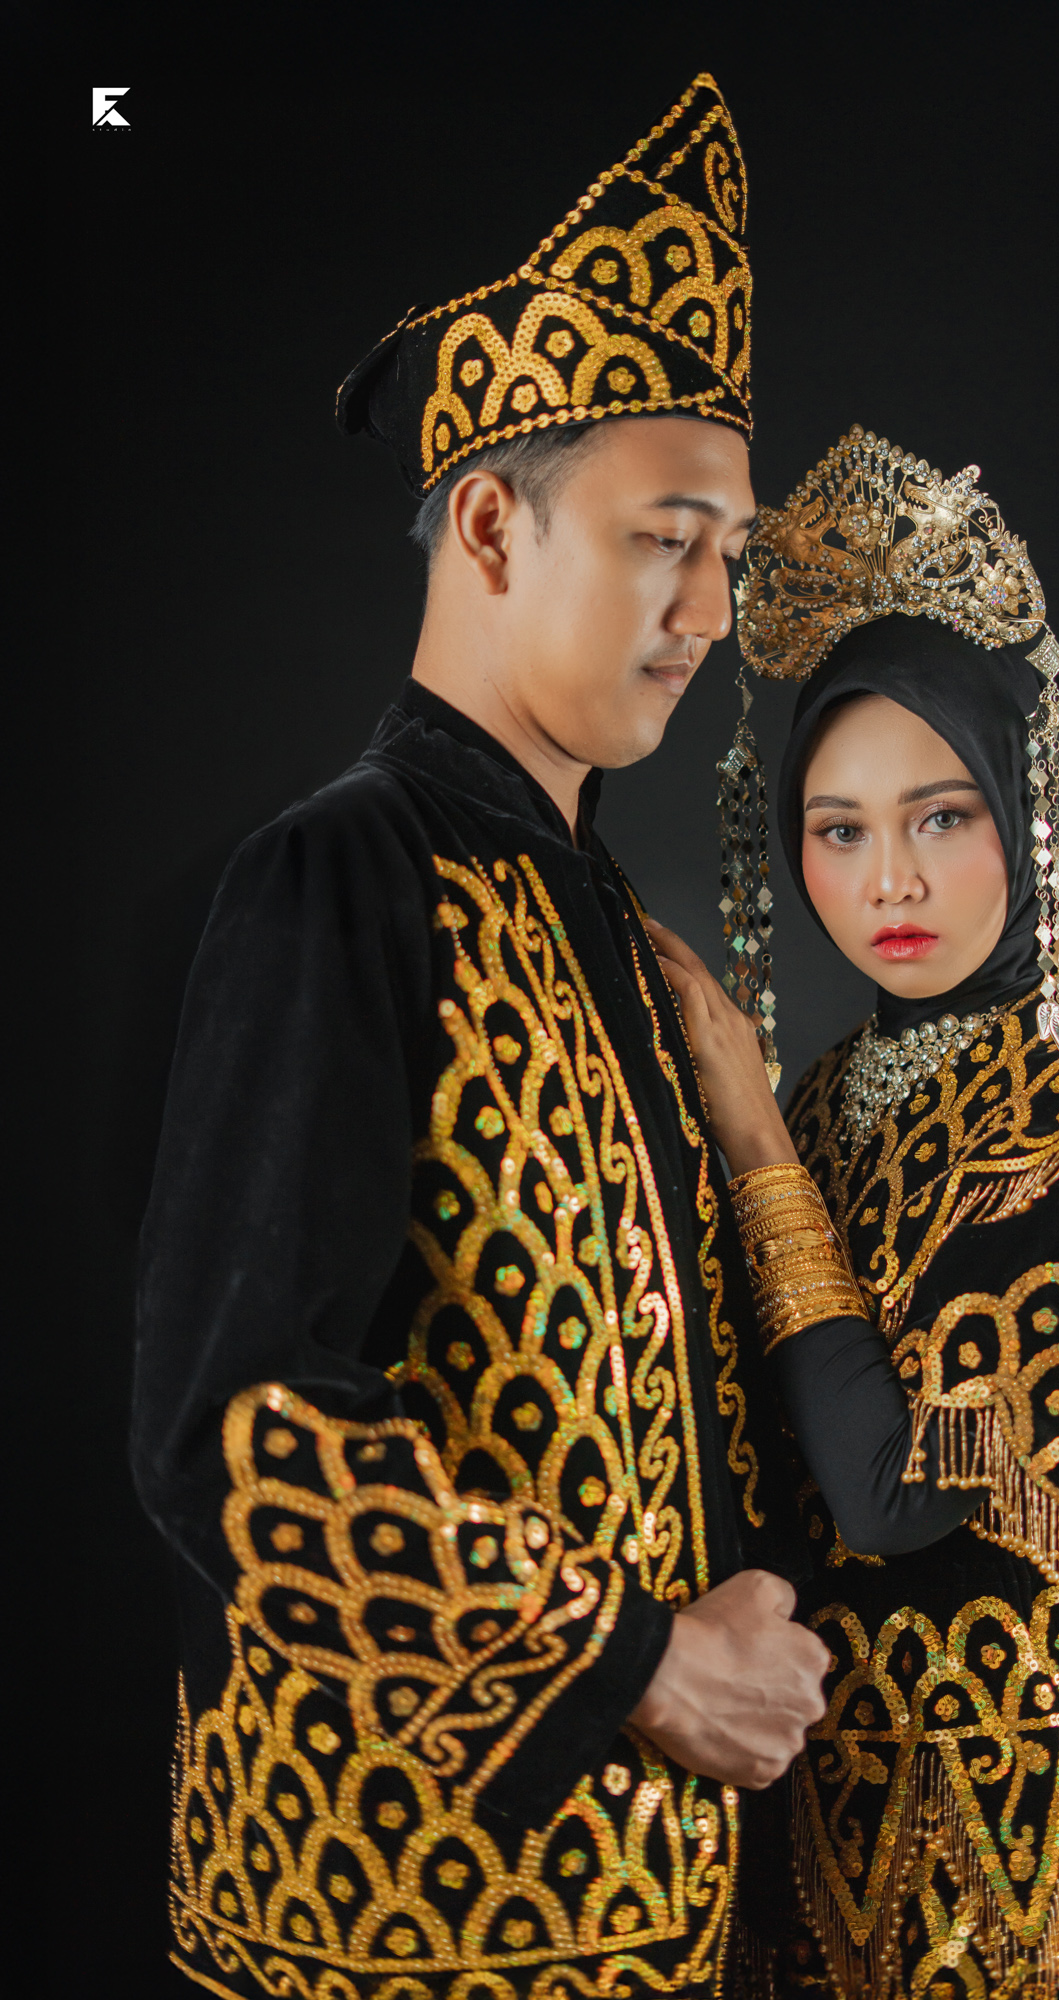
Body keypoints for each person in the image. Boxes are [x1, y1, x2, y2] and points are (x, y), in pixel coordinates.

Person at [131, 75, 829, 2000]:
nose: (711, 609)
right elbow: (238, 1433)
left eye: (731, 552)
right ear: (495, 525)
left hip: (658, 1918)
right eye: (668, 538)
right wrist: (638, 1663)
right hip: (408, 1928)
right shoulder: (338, 880)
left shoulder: (600, 902)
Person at [648, 427, 1059, 1998]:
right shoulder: (829, 1094)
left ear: (1035, 815)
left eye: (942, 815)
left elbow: (894, 1491)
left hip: (1020, 1826)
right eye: (839, 829)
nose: (886, 881)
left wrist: (747, 1138)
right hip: (797, 1800)